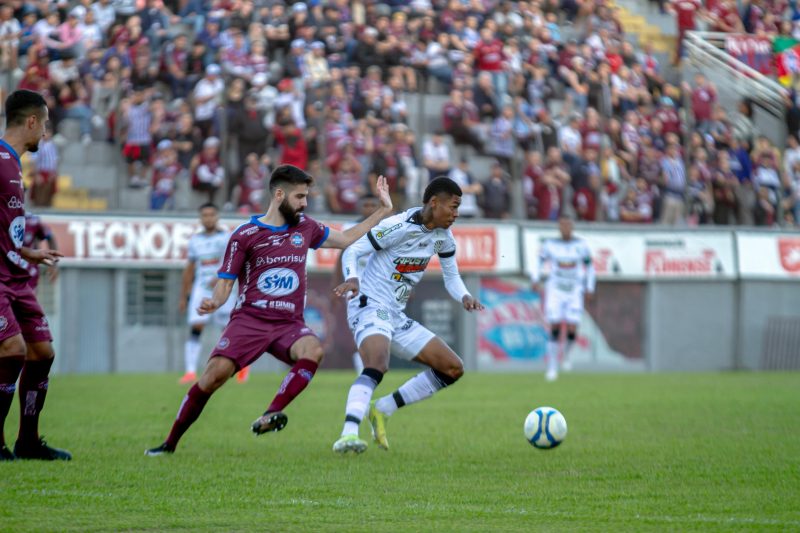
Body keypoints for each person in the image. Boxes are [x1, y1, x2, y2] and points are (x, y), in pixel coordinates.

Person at [145, 166, 392, 456]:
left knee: (312, 350)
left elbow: (347, 239)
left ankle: (271, 413)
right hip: (250, 320)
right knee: (212, 378)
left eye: (306, 196)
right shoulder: (245, 235)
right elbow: (225, 283)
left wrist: (383, 211)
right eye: (299, 196)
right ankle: (169, 444)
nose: (304, 203)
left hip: (288, 323)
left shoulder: (305, 227)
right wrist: (215, 302)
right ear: (278, 194)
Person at [331, 177, 484, 454]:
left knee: (452, 368)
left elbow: (452, 277)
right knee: (378, 363)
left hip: (396, 316)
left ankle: (383, 408)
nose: (456, 213)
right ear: (434, 203)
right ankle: (348, 432)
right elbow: (352, 249)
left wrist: (464, 295)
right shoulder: (397, 226)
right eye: (453, 206)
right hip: (369, 304)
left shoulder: (443, 238)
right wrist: (353, 278)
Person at [0, 89, 70, 461]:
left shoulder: (13, 164)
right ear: (30, 122)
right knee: (13, 350)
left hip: (16, 273)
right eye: (43, 125)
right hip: (0, 279)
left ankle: (28, 441)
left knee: (42, 353)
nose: (44, 134)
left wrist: (29, 252)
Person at [178, 203, 240, 385]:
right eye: (204, 215)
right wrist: (183, 296)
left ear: (217, 216)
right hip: (201, 288)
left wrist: (221, 276)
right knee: (196, 326)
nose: (208, 218)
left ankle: (239, 367)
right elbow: (189, 269)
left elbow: (235, 261)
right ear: (200, 218)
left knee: (228, 330)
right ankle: (190, 372)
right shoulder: (195, 241)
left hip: (223, 287)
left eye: (211, 214)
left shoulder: (226, 238)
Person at [531, 215, 595, 382]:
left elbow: (589, 267)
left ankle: (566, 354)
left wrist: (590, 287)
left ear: (572, 227)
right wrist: (535, 279)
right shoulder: (550, 245)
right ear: (559, 228)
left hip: (574, 290)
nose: (565, 228)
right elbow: (538, 262)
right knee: (555, 326)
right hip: (555, 290)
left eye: (568, 225)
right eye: (562, 225)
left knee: (573, 327)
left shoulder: (581, 245)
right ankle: (552, 367)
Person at [333, 193, 382, 374]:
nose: (369, 208)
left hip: (383, 287)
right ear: (360, 207)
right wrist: (336, 284)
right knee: (361, 327)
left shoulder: (388, 227)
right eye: (366, 204)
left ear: (379, 206)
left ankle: (371, 363)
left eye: (372, 205)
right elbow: (341, 258)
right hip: (356, 287)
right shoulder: (351, 228)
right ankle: (364, 367)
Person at [23, 212, 58, 291]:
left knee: (30, 298)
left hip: (29, 270)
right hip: (7, 270)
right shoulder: (5, 216)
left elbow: (50, 237)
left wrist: (53, 264)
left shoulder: (33, 220)